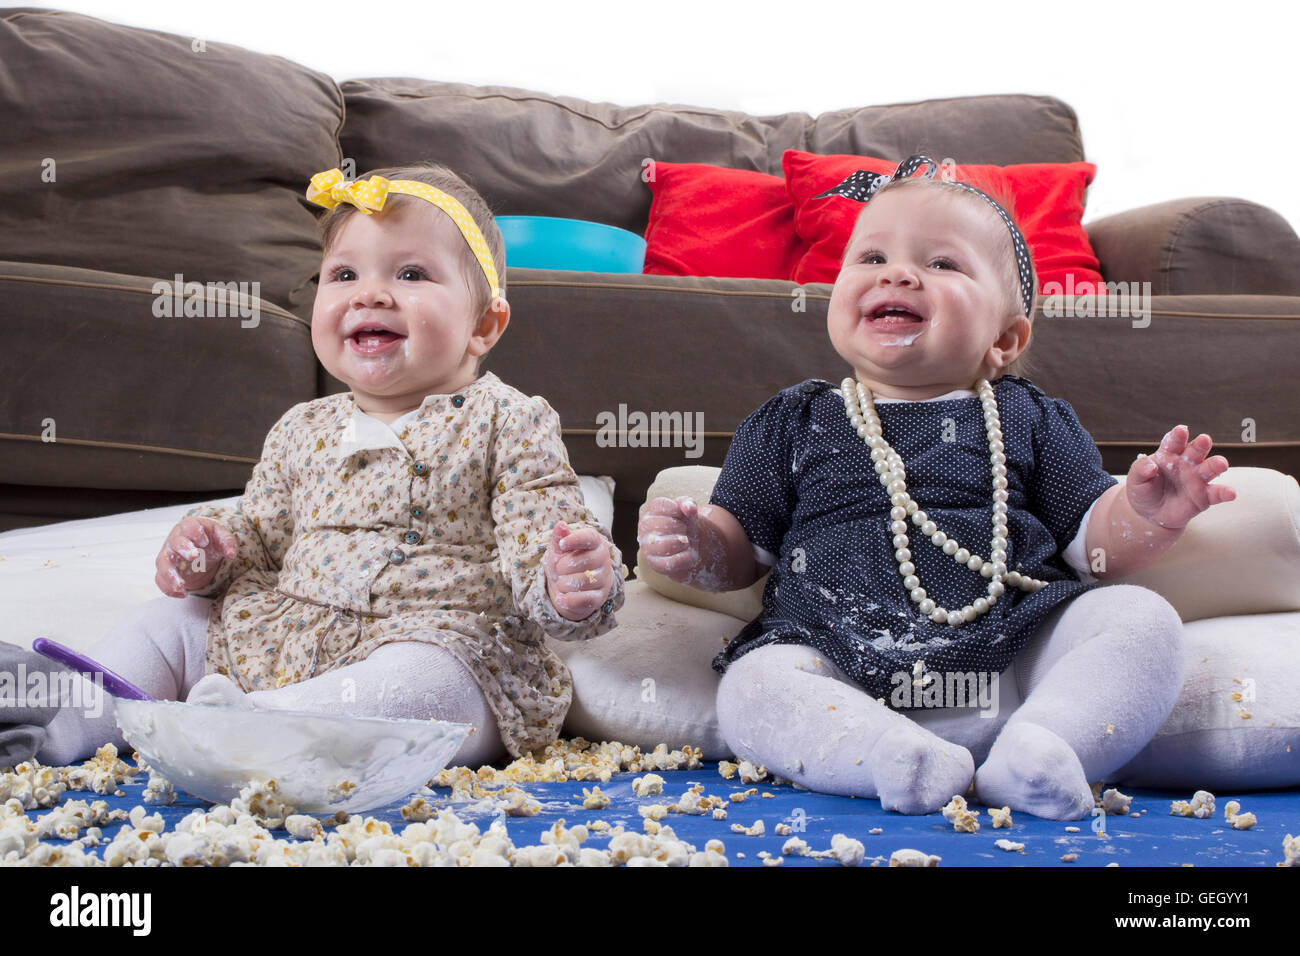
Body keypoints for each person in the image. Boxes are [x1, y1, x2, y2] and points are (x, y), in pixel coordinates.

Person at [637, 156, 1233, 820]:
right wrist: (701, 548)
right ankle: (892, 756)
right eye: (870, 257)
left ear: (1006, 338)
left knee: (1140, 620)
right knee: (754, 687)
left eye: (943, 264)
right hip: (841, 662)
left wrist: (1147, 514)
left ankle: (1043, 748)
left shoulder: (1027, 416)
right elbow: (742, 550)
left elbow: (1094, 546)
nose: (897, 273)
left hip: (1013, 662)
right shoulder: (795, 420)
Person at [32, 162, 623, 769]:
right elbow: (260, 537)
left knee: (430, 682)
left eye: (412, 273)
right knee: (174, 622)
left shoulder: (508, 421)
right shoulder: (301, 428)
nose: (368, 293)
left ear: (484, 324)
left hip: (438, 637)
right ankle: (56, 722)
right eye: (343, 274)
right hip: (288, 635)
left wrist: (568, 580)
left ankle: (259, 728)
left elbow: (539, 538)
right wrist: (213, 549)